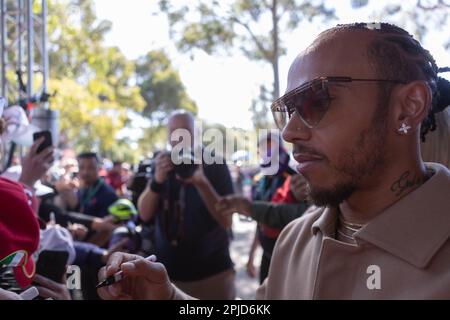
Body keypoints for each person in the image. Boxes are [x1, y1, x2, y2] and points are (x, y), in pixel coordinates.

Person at [97, 22, 450, 300]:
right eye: (288, 111)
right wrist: (168, 296)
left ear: (409, 105)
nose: (290, 132)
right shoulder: (296, 239)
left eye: (317, 101)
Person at [137, 110, 235, 299]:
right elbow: (144, 214)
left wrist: (201, 183)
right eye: (173, 132)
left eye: (185, 131)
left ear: (196, 134)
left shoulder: (215, 163)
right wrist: (157, 181)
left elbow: (227, 221)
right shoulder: (161, 164)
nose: (179, 138)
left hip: (212, 275)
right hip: (167, 275)